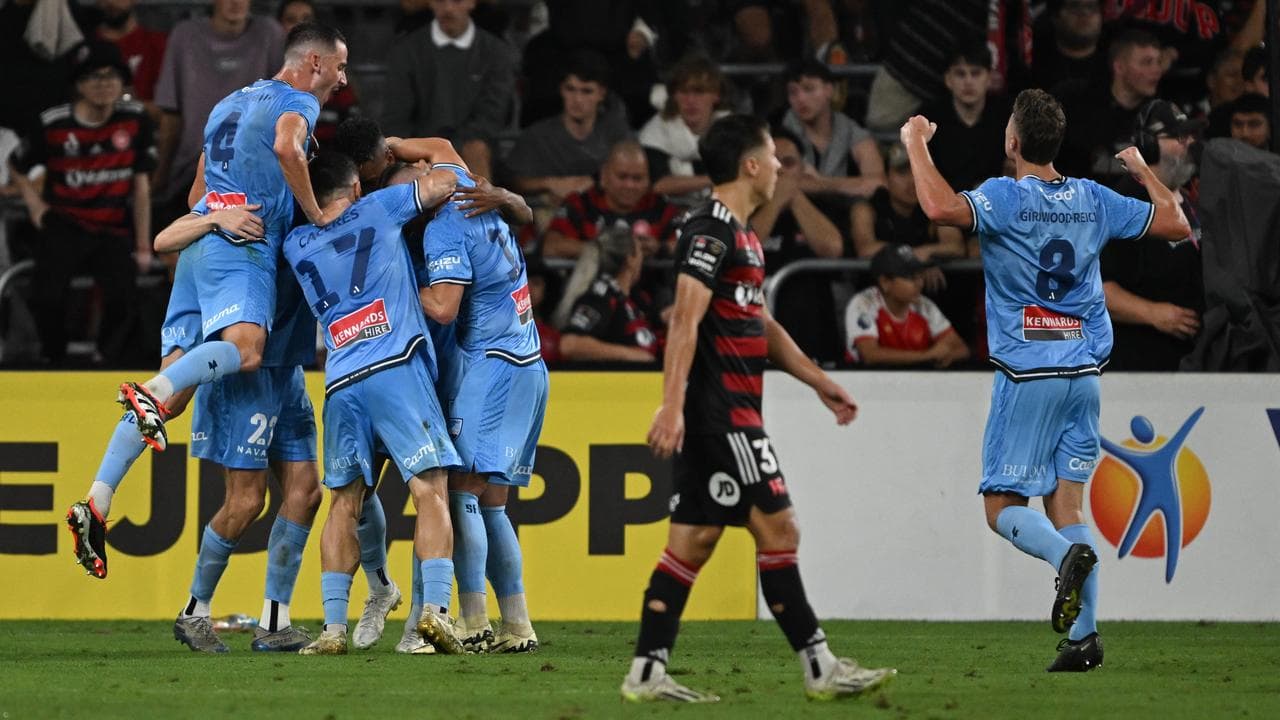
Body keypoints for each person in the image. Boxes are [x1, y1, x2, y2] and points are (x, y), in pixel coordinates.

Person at [62, 25, 365, 656]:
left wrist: (214, 219)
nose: (344, 78)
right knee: (245, 492)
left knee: (302, 489)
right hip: (243, 274)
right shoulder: (297, 106)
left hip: (220, 266)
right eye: (339, 66)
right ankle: (197, 610)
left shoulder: (229, 104)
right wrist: (310, 213)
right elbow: (286, 149)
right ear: (312, 62)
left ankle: (100, 497)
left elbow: (200, 194)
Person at [901, 88, 1190, 671]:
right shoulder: (1093, 197)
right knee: (1068, 506)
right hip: (1084, 375)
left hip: (1030, 373)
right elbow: (1177, 223)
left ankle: (1064, 562)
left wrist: (914, 144)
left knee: (1001, 505)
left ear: (1012, 142)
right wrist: (1143, 174)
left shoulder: (1004, 197)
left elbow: (936, 209)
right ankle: (1084, 639)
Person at [621, 114, 896, 702]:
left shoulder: (742, 235)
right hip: (723, 416)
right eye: (774, 156)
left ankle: (646, 672)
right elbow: (685, 324)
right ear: (750, 165)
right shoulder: (709, 232)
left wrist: (818, 380)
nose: (779, 167)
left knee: (692, 543)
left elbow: (759, 323)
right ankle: (820, 666)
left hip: (731, 412)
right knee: (780, 528)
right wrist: (672, 408)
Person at [282, 152, 464, 655]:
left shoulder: (296, 244)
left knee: (344, 504)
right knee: (430, 490)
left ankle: (333, 629)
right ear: (357, 187)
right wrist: (413, 155)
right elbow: (447, 181)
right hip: (396, 365)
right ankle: (436, 614)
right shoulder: (381, 207)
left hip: (340, 380)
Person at [408, 137, 547, 654]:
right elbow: (441, 145)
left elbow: (443, 308)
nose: (421, 170)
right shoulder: (474, 186)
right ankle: (518, 624)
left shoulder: (444, 224)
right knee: (493, 506)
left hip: (492, 368)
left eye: (420, 169)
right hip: (529, 363)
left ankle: (472, 621)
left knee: (459, 494)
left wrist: (393, 283)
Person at [8, 42, 153, 367]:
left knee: (123, 298)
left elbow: (141, 187)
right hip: (64, 223)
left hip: (114, 226)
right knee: (46, 296)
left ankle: (108, 360)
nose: (103, 84)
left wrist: (144, 245)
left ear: (122, 81)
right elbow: (15, 164)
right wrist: (35, 207)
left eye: (111, 76)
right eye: (94, 77)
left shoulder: (136, 120)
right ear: (78, 83)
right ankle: (54, 358)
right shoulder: (52, 123)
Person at [151, 0, 284, 226]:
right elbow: (170, 115)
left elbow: (285, 106)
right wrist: (161, 176)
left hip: (254, 170)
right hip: (190, 168)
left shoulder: (270, 33)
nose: (235, 3)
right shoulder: (185, 36)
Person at [1102, 99, 1204, 371]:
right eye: (1179, 137)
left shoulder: (1191, 198)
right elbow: (1097, 288)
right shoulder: (1123, 203)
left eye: (1190, 135)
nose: (1189, 144)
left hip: (1188, 357)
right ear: (1148, 144)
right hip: (1140, 362)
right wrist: (1153, 314)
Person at [380, 0, 517, 179]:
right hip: (418, 149)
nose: (448, 8)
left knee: (476, 148)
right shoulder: (405, 51)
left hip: (473, 148)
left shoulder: (496, 52)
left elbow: (492, 116)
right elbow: (396, 116)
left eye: (457, 1)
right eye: (440, 1)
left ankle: (480, 206)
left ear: (472, 3)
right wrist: (420, 151)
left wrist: (447, 151)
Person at [749, 127, 843, 362]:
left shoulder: (821, 206)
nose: (780, 170)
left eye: (789, 163)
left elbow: (833, 249)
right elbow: (744, 246)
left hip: (813, 331)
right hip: (756, 331)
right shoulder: (745, 206)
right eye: (773, 161)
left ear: (803, 167)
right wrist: (777, 199)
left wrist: (795, 196)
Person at [505, 51, 631, 201]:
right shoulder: (537, 137)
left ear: (601, 94)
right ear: (561, 90)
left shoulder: (617, 134)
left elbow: (633, 178)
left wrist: (595, 183)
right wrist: (551, 183)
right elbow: (513, 182)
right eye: (570, 89)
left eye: (587, 91)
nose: (577, 99)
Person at [849, 144, 965, 294]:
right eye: (902, 172)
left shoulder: (938, 205)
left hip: (931, 300)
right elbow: (865, 249)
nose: (912, 181)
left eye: (918, 171)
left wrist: (927, 254)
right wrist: (914, 259)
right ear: (886, 177)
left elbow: (956, 246)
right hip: (878, 300)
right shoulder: (867, 208)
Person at [1057, 29, 1166, 184]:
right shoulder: (1077, 105)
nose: (1157, 71)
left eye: (1158, 62)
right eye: (1147, 62)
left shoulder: (1160, 115)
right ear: (1119, 67)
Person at [542, 140, 680, 259]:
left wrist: (660, 248)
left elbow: (686, 243)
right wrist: (602, 250)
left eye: (637, 178)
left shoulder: (661, 208)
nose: (629, 185)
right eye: (622, 177)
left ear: (648, 180)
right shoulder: (581, 204)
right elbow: (551, 246)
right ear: (604, 176)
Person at [844, 243, 969, 367]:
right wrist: (927, 356)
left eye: (920, 275)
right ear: (885, 282)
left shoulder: (924, 305)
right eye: (910, 277)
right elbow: (870, 355)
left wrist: (945, 355)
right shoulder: (863, 303)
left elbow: (961, 349)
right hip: (866, 381)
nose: (919, 283)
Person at [779, 59, 884, 200]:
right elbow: (782, 184)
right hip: (792, 212)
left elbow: (879, 184)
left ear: (829, 90)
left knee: (861, 211)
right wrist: (848, 186)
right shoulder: (780, 131)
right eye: (793, 92)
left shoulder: (850, 129)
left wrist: (820, 182)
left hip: (839, 211)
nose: (801, 99)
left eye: (809, 89)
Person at [558, 226, 659, 362]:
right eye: (641, 252)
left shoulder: (634, 297)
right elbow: (570, 345)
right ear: (631, 259)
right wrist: (633, 356)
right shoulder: (600, 297)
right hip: (616, 380)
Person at [918, 43, 1008, 193]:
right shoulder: (928, 119)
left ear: (989, 78)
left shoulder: (1006, 117)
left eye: (976, 73)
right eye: (960, 74)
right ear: (948, 79)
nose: (968, 81)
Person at [638, 54, 731, 200]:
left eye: (699, 92)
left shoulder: (732, 129)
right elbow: (657, 185)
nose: (691, 100)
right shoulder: (656, 131)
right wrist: (712, 180)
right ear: (673, 95)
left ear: (716, 95)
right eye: (683, 92)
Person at [275, 0, 359, 144]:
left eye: (306, 19)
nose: (300, 26)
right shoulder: (267, 78)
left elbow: (353, 134)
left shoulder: (337, 77)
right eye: (291, 20)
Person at [93, 0, 167, 116]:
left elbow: (170, 113)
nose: (111, 3)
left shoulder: (159, 45)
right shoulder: (84, 49)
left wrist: (129, 103)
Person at [1030, 0, 1105, 97]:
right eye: (1074, 6)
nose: (1084, 13)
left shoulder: (1112, 65)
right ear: (1055, 16)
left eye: (1092, 7)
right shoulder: (1035, 66)